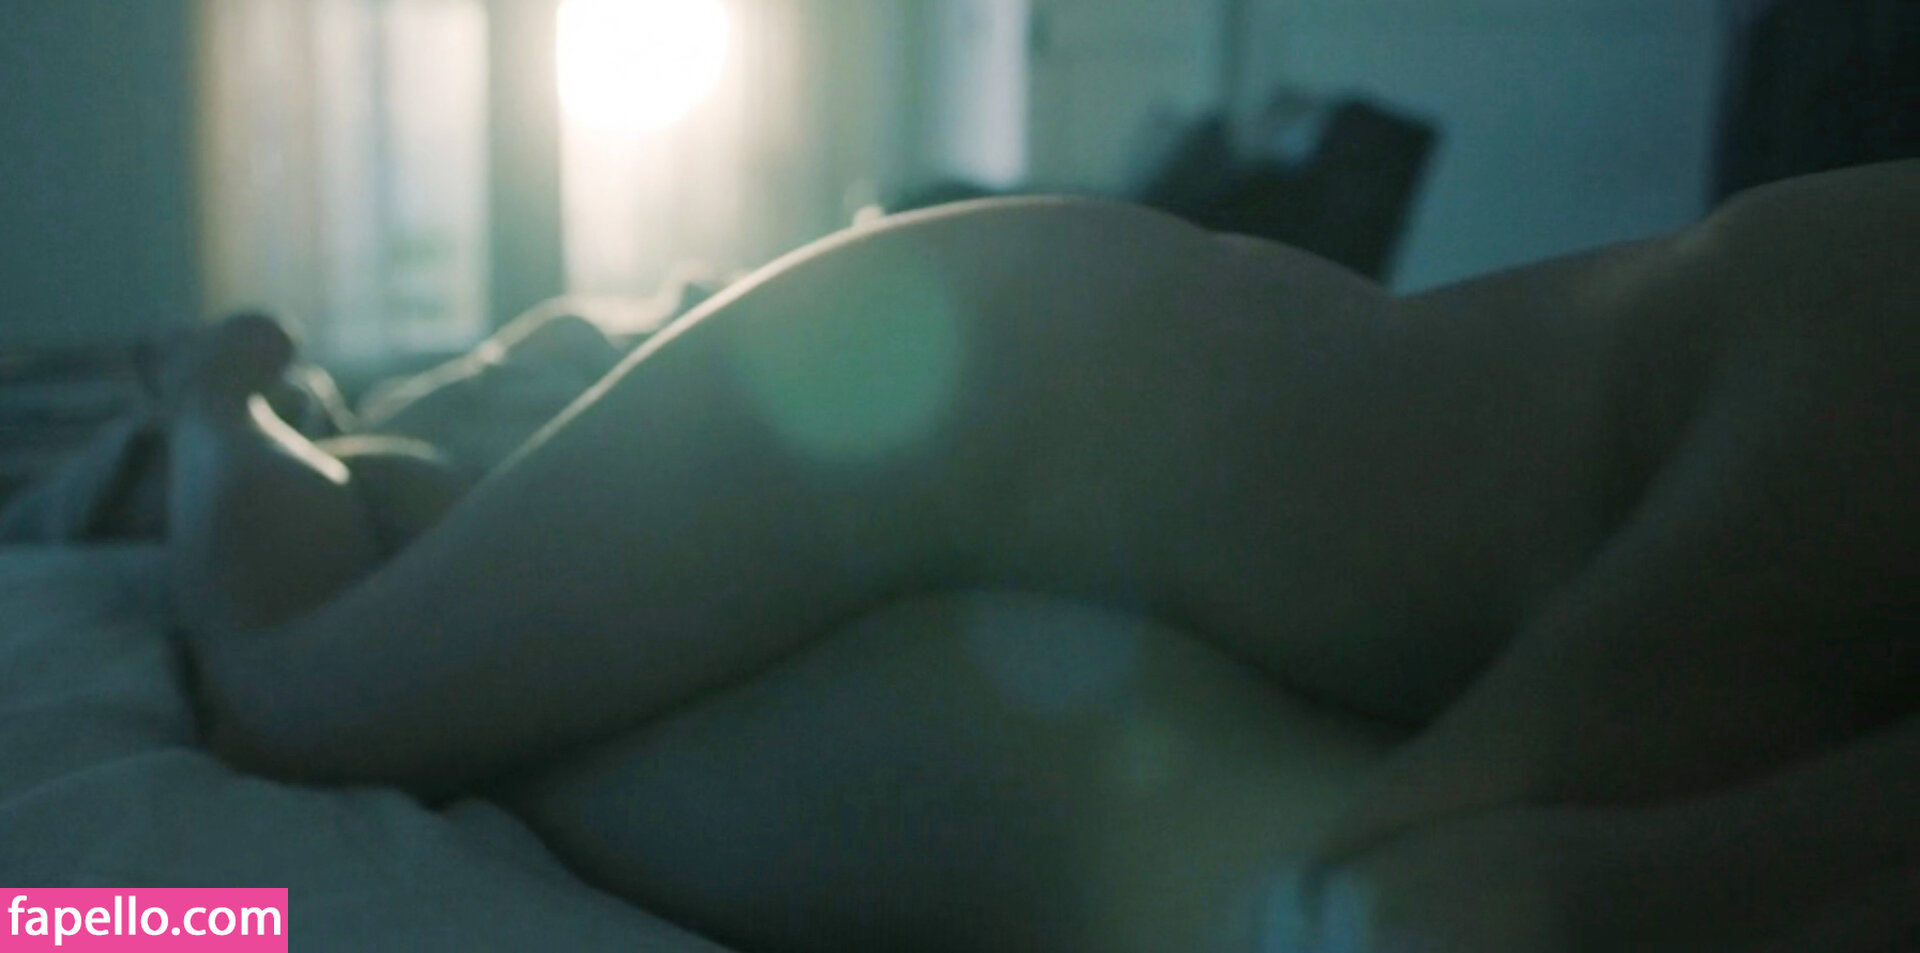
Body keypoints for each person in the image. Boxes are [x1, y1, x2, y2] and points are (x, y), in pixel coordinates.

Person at [165, 162, 1917, 952]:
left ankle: (430, 488)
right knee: (295, 695)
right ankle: (221, 397)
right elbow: (1408, 903)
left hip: (1095, 605)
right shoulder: (1883, 368)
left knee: (529, 726)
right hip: (966, 405)